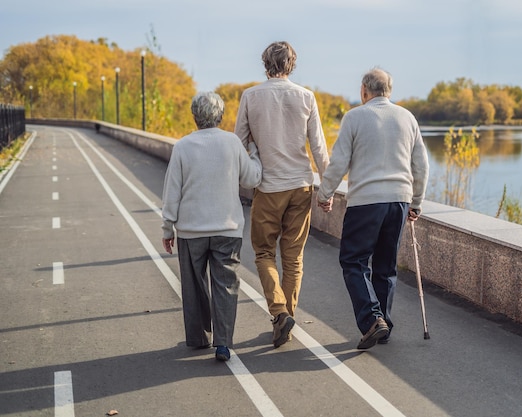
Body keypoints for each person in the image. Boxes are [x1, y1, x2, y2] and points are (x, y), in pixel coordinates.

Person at [317, 68, 429, 349]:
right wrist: (416, 202)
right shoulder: (407, 118)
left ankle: (371, 320)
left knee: (353, 261)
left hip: (366, 201)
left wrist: (325, 193)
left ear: (364, 91)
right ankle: (384, 326)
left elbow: (339, 161)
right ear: (389, 91)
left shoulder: (355, 117)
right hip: (399, 201)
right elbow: (421, 165)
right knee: (386, 266)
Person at [235, 41, 330, 348]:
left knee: (263, 253)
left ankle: (278, 312)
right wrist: (326, 189)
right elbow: (318, 147)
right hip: (301, 185)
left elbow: (240, 142)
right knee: (294, 258)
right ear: (291, 64)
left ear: (265, 63)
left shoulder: (250, 96)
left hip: (269, 186)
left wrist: (253, 155)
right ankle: (285, 317)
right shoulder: (306, 97)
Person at [162, 91, 262, 361]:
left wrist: (167, 227)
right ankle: (223, 343)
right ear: (221, 116)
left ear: (195, 116)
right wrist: (254, 154)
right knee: (226, 284)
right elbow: (252, 178)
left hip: (190, 230)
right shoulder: (231, 143)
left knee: (193, 285)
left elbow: (172, 190)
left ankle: (197, 337)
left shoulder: (183, 146)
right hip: (227, 230)